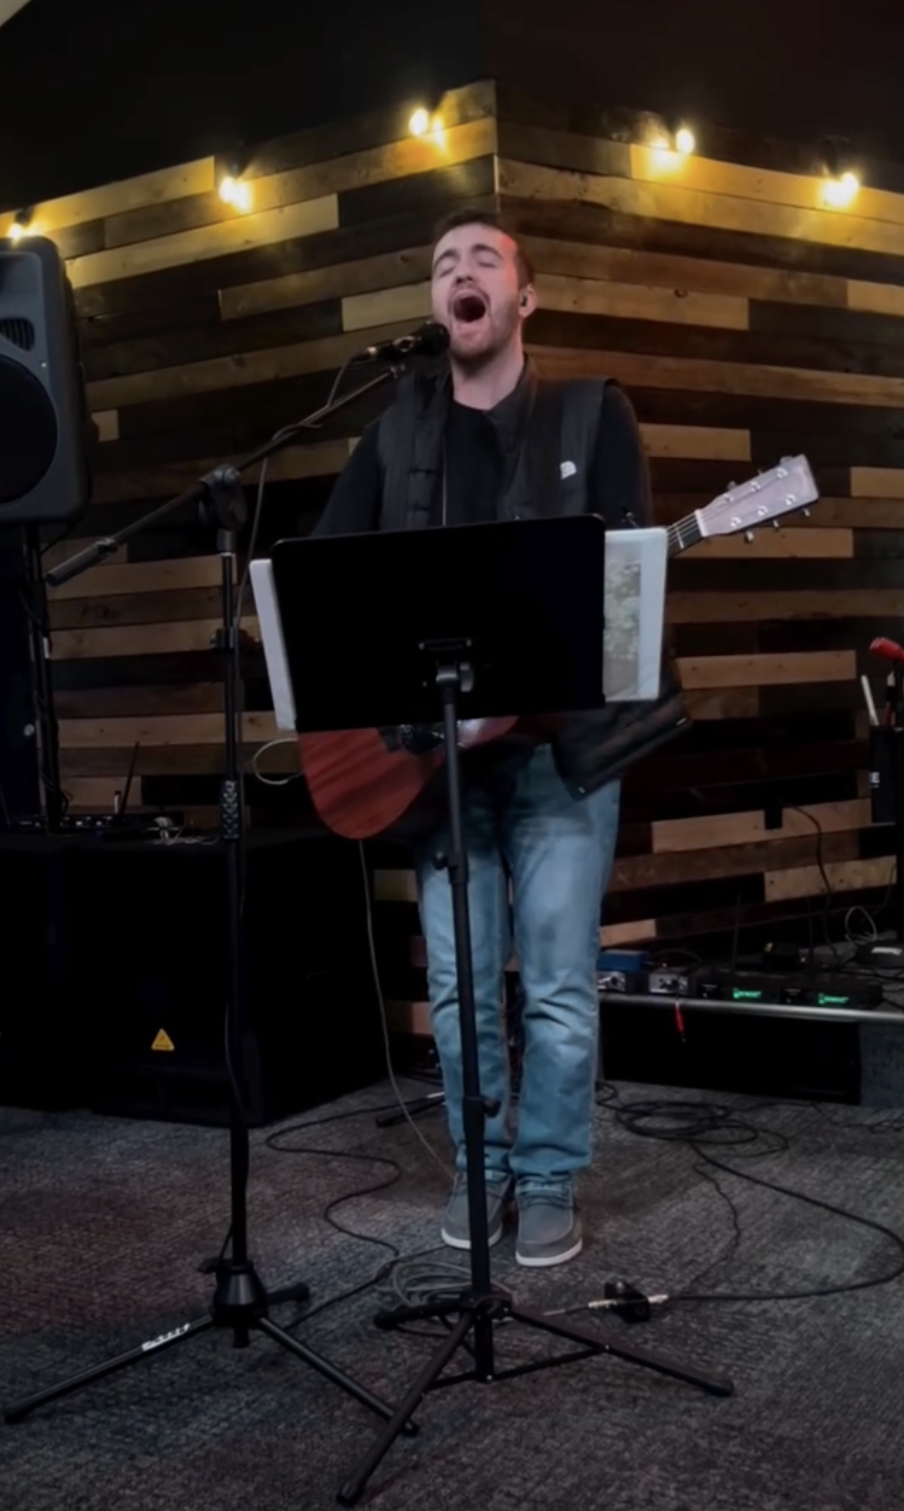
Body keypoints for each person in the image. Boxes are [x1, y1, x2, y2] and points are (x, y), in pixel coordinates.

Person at [312, 208, 685, 1267]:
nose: (458, 273)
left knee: (558, 983)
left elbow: (619, 602)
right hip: (431, 765)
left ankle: (548, 1174)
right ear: (435, 305)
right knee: (459, 985)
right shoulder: (395, 429)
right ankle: (481, 1172)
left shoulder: (588, 416)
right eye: (441, 263)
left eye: (483, 259)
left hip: (552, 758)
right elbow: (326, 583)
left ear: (523, 299)